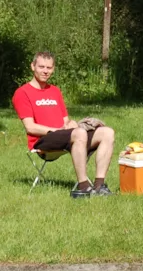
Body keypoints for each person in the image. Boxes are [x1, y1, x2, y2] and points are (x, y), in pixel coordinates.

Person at [12, 51, 116, 198]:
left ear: (53, 69)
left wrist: (71, 123)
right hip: (43, 141)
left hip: (66, 137)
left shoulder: (55, 91)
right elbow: (30, 127)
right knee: (79, 133)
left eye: (49, 68)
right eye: (41, 67)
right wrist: (57, 130)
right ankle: (84, 186)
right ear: (33, 66)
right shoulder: (22, 93)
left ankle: (99, 186)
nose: (45, 71)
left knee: (107, 132)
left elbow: (65, 120)